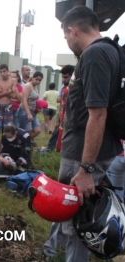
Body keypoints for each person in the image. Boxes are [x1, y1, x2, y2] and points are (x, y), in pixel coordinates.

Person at [43, 6, 123, 262]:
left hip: (84, 155)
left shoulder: (95, 55)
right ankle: (52, 251)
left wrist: (86, 169)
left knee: (75, 219)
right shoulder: (110, 51)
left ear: (72, 30)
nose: (67, 42)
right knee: (63, 207)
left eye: (66, 37)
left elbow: (97, 115)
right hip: (86, 150)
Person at [0, 64, 21, 150]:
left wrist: (2, 93)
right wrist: (7, 93)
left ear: (8, 71)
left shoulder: (13, 81)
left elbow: (14, 94)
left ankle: (6, 149)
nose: (3, 73)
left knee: (7, 129)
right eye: (1, 72)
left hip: (8, 106)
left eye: (4, 71)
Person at [17, 71, 43, 140]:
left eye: (40, 80)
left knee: (37, 130)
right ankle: (24, 145)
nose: (38, 81)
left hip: (33, 112)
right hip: (24, 112)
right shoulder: (28, 86)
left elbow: (35, 100)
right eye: (36, 79)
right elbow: (24, 100)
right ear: (32, 77)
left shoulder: (35, 86)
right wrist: (28, 114)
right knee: (27, 131)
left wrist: (38, 108)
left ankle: (26, 142)